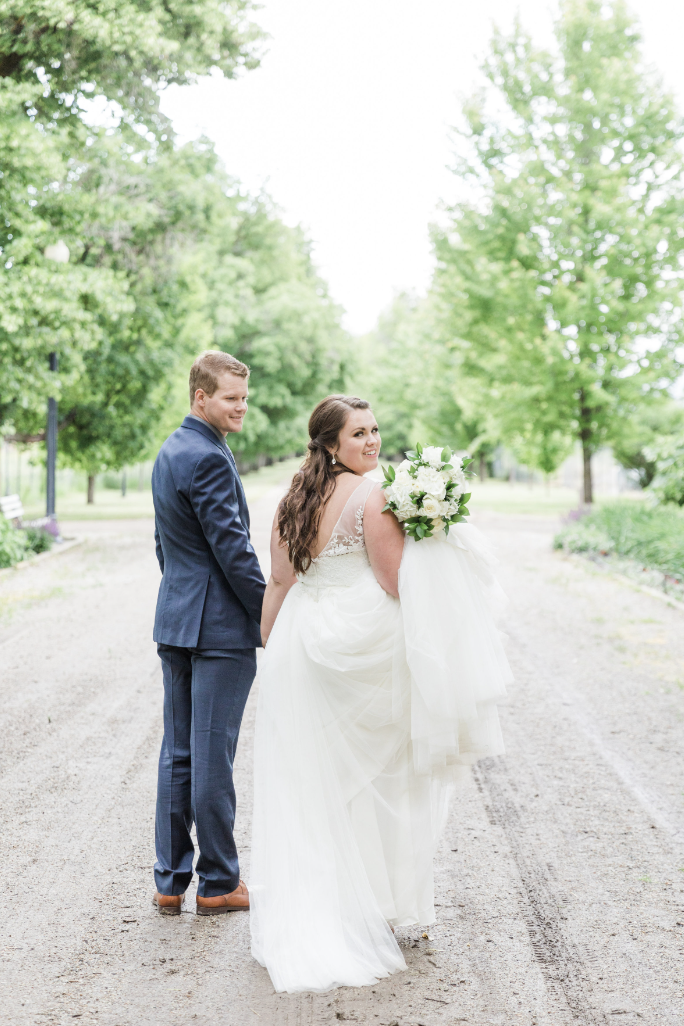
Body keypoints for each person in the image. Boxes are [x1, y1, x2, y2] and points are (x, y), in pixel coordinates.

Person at [249, 395, 511, 993]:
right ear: (332, 444)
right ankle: (366, 904)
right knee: (376, 779)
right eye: (359, 433)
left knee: (313, 785)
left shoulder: (292, 498)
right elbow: (394, 581)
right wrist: (438, 548)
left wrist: (271, 646)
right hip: (357, 644)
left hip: (300, 644)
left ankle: (328, 904)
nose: (372, 441)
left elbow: (281, 582)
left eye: (375, 429)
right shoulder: (373, 497)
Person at [151, 350, 265, 916]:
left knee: (179, 753)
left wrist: (181, 597)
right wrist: (267, 613)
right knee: (211, 755)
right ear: (202, 397)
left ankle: (170, 882)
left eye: (244, 397)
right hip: (218, 630)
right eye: (230, 398)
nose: (241, 407)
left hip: (175, 620)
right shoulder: (211, 459)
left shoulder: (171, 451)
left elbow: (163, 547)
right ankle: (219, 883)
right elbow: (234, 551)